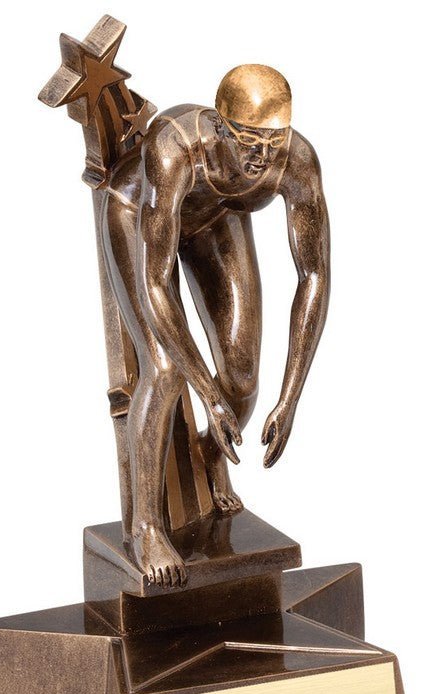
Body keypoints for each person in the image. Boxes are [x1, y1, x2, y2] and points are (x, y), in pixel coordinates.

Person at [102, 64, 330, 588]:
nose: (262, 157)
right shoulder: (176, 145)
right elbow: (156, 282)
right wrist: (206, 393)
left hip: (215, 219)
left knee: (243, 378)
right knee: (164, 371)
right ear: (220, 127)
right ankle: (145, 525)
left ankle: (209, 454)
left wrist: (290, 398)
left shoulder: (296, 161)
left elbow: (314, 276)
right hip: (138, 215)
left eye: (273, 142)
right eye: (248, 140)